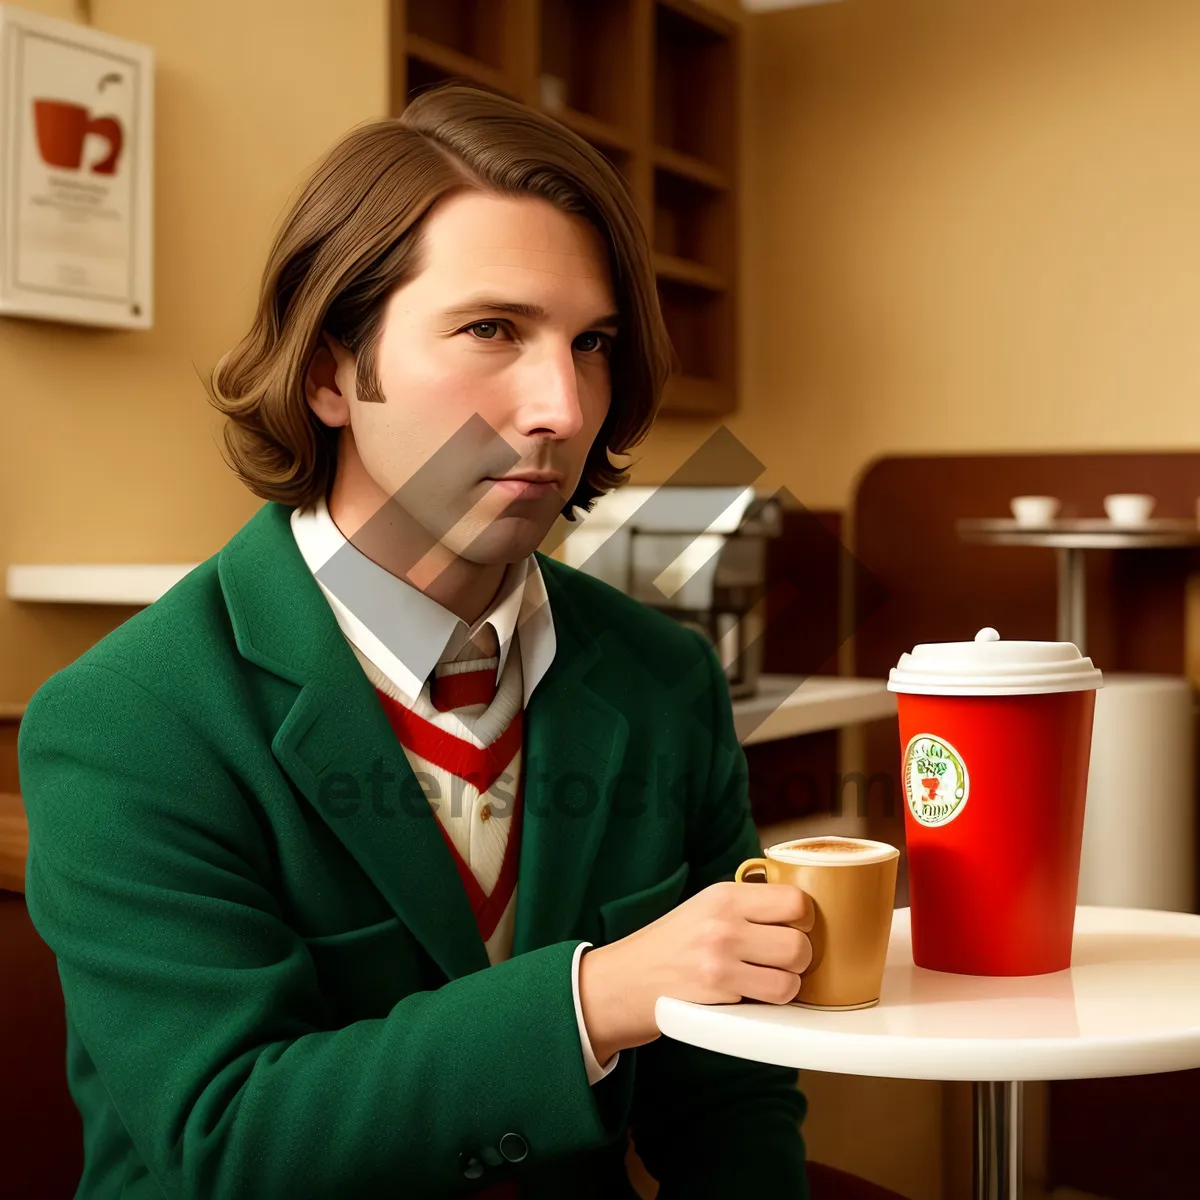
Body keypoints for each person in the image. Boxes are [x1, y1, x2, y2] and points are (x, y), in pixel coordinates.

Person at [18, 85, 817, 1199]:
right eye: (494, 329)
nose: (561, 406)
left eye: (589, 344)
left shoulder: (662, 677)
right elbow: (227, 1138)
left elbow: (730, 1096)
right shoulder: (127, 718)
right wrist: (592, 999)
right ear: (330, 372)